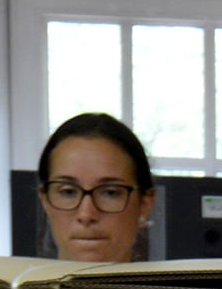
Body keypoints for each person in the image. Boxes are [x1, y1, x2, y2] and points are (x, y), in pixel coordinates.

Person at [36, 111, 157, 264]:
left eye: (110, 193)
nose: (86, 215)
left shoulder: (181, 288)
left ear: (145, 203)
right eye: (68, 192)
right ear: (45, 200)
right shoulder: (9, 287)